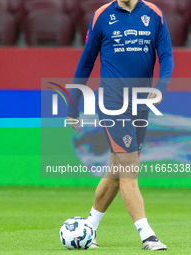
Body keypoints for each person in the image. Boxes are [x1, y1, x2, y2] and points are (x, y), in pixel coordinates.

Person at [67, 0, 173, 250]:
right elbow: (86, 61)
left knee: (116, 172)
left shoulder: (154, 14)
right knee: (128, 169)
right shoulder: (102, 16)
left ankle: (89, 229)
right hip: (112, 104)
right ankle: (147, 235)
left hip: (141, 103)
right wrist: (73, 104)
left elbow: (166, 56)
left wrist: (160, 88)